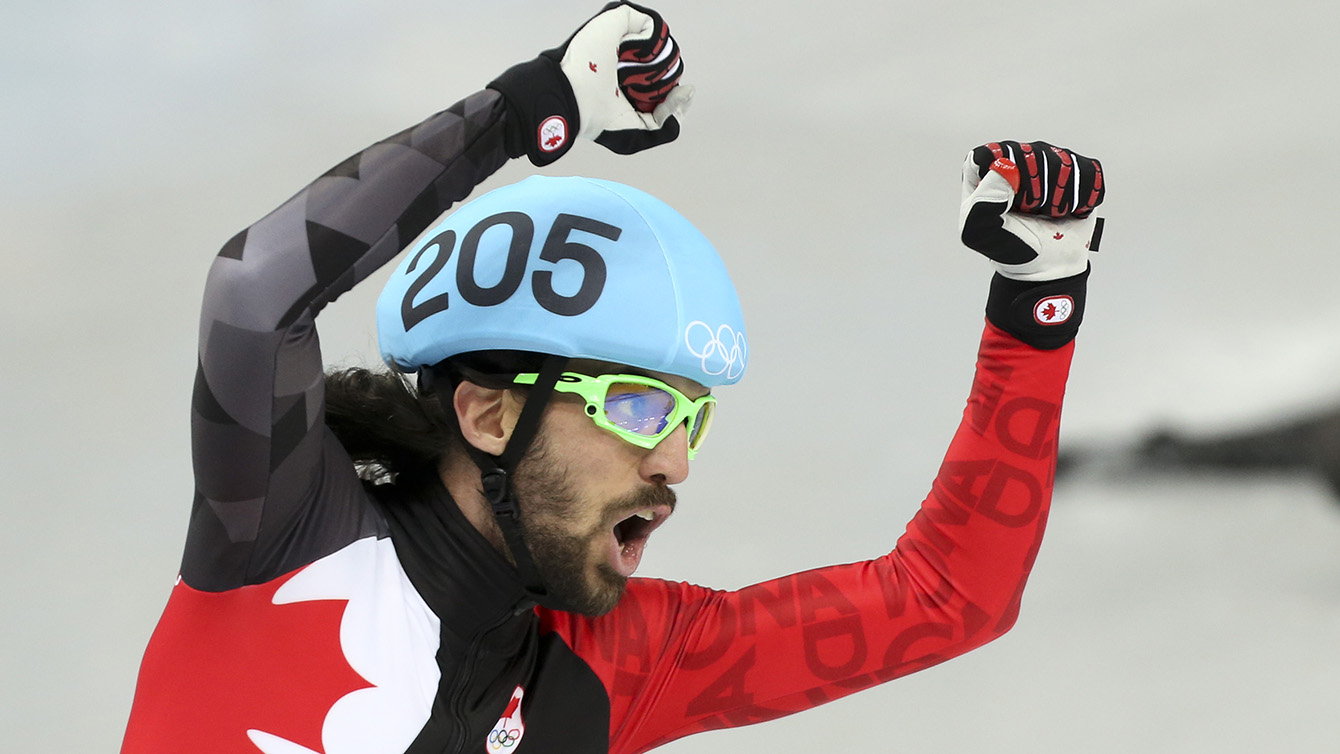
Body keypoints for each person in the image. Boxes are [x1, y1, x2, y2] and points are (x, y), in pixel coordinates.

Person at [120, 3, 1106, 753]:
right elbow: (256, 294)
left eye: (690, 419)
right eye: (637, 408)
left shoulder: (619, 666)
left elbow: (946, 598)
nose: (674, 460)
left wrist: (1039, 301)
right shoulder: (286, 531)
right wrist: (530, 107)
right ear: (490, 413)